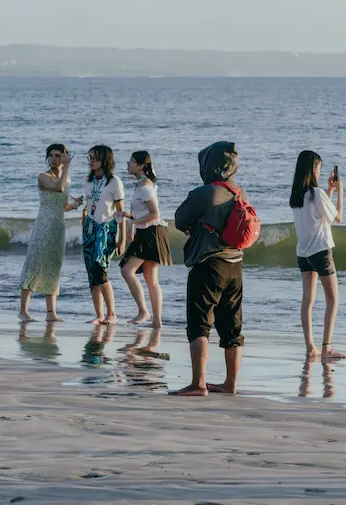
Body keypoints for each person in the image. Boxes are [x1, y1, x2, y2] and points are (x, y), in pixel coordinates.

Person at [173, 141, 246, 397]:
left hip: (208, 264)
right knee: (232, 327)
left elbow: (180, 218)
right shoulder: (239, 192)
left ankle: (198, 383)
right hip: (235, 266)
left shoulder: (205, 193)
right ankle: (230, 383)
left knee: (199, 323)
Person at [290, 151, 346, 360]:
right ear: (313, 168)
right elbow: (337, 217)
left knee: (308, 300)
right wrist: (340, 190)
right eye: (319, 167)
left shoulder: (298, 195)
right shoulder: (315, 193)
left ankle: (310, 347)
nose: (320, 171)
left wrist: (329, 191)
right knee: (333, 299)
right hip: (321, 251)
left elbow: (319, 215)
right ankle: (327, 347)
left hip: (303, 252)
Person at [18, 144, 82, 323]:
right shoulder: (43, 176)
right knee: (35, 264)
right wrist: (66, 166)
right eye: (52, 156)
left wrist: (75, 205)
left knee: (54, 266)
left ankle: (51, 313)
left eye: (58, 155)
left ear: (65, 156)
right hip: (44, 224)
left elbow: (63, 205)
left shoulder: (65, 178)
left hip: (58, 225)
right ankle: (23, 310)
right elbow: (59, 189)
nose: (55, 159)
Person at [119, 151, 172, 328]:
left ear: (141, 166)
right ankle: (156, 321)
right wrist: (130, 215)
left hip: (151, 232)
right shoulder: (142, 184)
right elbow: (145, 212)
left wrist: (132, 223)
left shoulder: (144, 186)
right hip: (149, 231)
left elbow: (154, 213)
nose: (128, 164)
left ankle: (144, 312)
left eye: (131, 162)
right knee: (150, 279)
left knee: (127, 270)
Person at [82, 145, 125, 325]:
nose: (91, 161)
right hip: (89, 228)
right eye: (89, 157)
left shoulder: (114, 182)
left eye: (95, 158)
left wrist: (122, 239)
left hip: (106, 229)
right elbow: (87, 207)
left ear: (105, 160)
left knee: (100, 268)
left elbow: (120, 212)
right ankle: (99, 315)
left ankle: (112, 314)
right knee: (92, 273)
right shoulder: (87, 180)